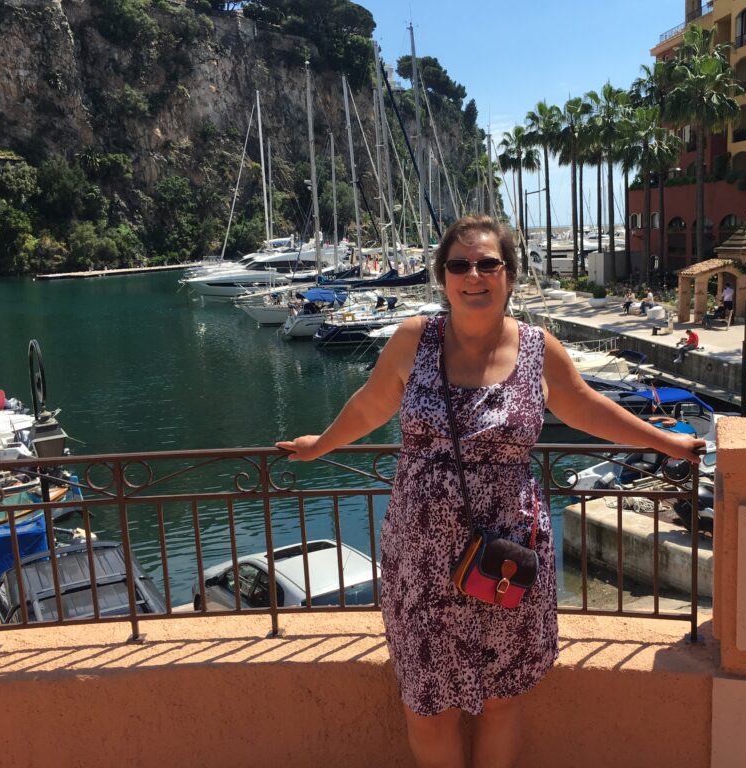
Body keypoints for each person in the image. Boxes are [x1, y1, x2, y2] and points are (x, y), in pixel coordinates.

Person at [277, 215, 703, 767]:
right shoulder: (414, 339)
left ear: (509, 274)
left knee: (502, 699)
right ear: (442, 276)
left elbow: (586, 406)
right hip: (422, 556)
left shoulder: (537, 349)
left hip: (507, 551)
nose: (473, 275)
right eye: (459, 264)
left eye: (487, 263)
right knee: (430, 705)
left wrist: (665, 442)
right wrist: (322, 445)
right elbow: (370, 404)